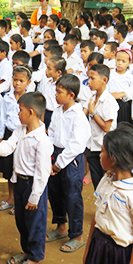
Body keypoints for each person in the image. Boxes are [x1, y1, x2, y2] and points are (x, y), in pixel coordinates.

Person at [0, 92, 52, 264]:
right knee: (21, 220)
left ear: (31, 112)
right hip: (20, 183)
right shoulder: (20, 129)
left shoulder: (42, 141)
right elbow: (9, 146)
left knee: (35, 223)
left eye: (20, 110)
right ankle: (26, 251)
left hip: (33, 186)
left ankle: (35, 256)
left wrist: (35, 197)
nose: (18, 113)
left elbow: (42, 174)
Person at [81, 126, 133, 264]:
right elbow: (97, 217)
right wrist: (88, 250)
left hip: (120, 256)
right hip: (98, 247)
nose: (100, 155)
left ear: (114, 158)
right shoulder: (106, 180)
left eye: (103, 151)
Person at [46, 74, 90, 253]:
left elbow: (76, 145)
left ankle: (77, 234)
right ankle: (61, 226)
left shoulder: (78, 116)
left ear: (71, 95)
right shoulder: (58, 111)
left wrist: (59, 164)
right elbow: (51, 133)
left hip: (71, 160)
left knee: (72, 196)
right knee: (55, 192)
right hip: (55, 155)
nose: (56, 95)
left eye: (59, 92)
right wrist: (50, 158)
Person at [0, 66, 33, 215]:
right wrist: (0, 135)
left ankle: (21, 200)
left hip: (25, 134)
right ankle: (11, 198)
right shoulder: (7, 98)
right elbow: (3, 117)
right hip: (10, 134)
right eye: (15, 80)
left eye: (21, 81)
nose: (17, 83)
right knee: (10, 167)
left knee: (22, 167)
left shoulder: (31, 99)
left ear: (28, 82)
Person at [84, 64, 118, 188]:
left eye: (92, 78)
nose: (89, 81)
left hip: (104, 148)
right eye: (89, 78)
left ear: (104, 80)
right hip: (92, 146)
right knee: (97, 183)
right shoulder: (92, 98)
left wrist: (93, 113)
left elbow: (106, 127)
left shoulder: (109, 101)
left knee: (106, 183)